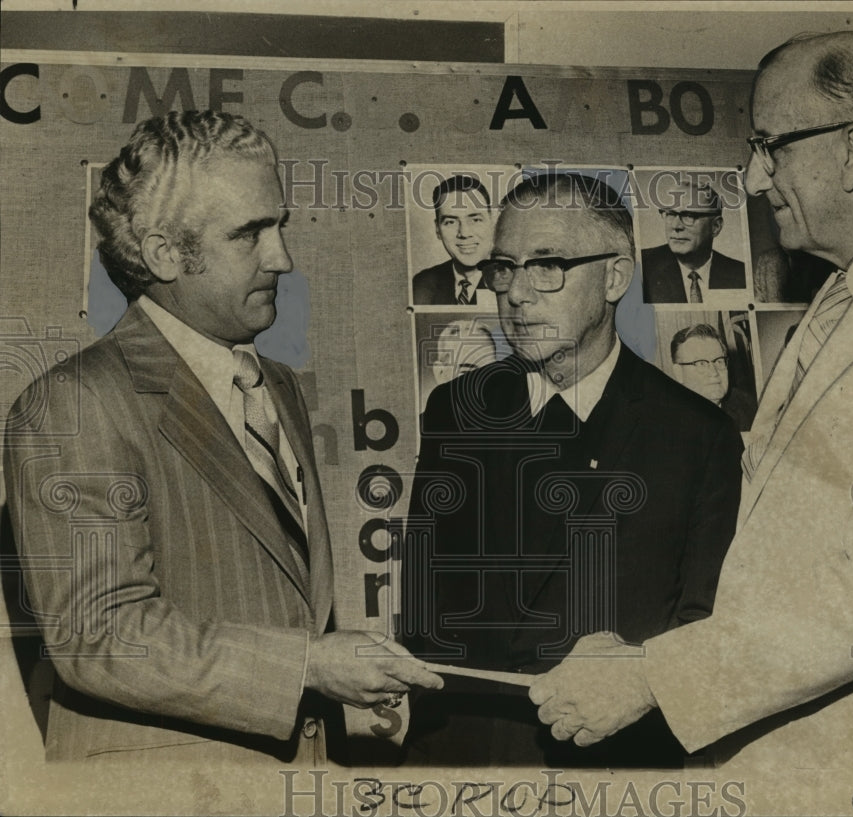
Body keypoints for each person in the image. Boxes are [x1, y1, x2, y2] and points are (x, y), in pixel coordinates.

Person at [530, 31, 853, 769]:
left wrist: (655, 676)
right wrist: (637, 650)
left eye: (770, 146)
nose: (753, 178)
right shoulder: (852, 291)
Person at [2, 110, 441, 763]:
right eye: (249, 234)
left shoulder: (280, 387)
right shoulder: (75, 402)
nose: (283, 258)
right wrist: (310, 665)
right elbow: (101, 635)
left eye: (280, 225)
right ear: (163, 253)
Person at [401, 172, 743, 766]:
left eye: (547, 266)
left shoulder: (697, 435)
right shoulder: (455, 410)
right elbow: (425, 614)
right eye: (504, 267)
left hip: (615, 771)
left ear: (615, 275)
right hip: (462, 767)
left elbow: (702, 633)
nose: (517, 294)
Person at [642, 177, 746, 303]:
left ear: (716, 227)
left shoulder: (741, 275)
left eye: (689, 216)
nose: (676, 226)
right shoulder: (642, 267)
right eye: (670, 214)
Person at [412, 175, 493, 306]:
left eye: (475, 220)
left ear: (492, 223)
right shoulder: (422, 284)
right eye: (450, 222)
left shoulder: (512, 279)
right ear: (437, 229)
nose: (464, 233)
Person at [670, 324, 756, 431]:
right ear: (679, 373)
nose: (714, 372)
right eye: (701, 363)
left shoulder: (748, 406)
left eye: (719, 361)